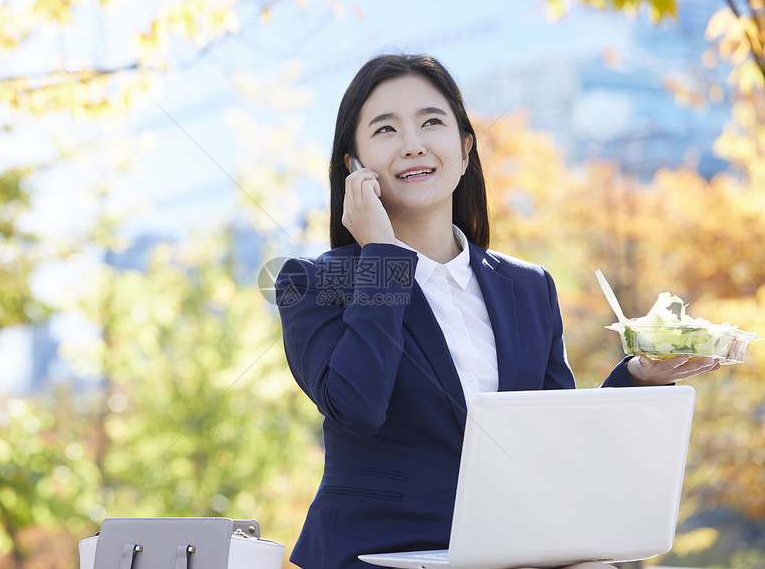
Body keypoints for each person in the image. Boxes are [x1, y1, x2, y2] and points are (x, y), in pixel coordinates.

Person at [274, 53, 719, 569]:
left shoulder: (528, 287)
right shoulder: (313, 282)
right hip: (376, 557)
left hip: (510, 553)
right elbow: (358, 404)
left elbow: (556, 443)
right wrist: (382, 256)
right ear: (354, 167)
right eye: (385, 129)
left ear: (465, 150)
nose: (413, 143)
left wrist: (639, 378)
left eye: (431, 122)